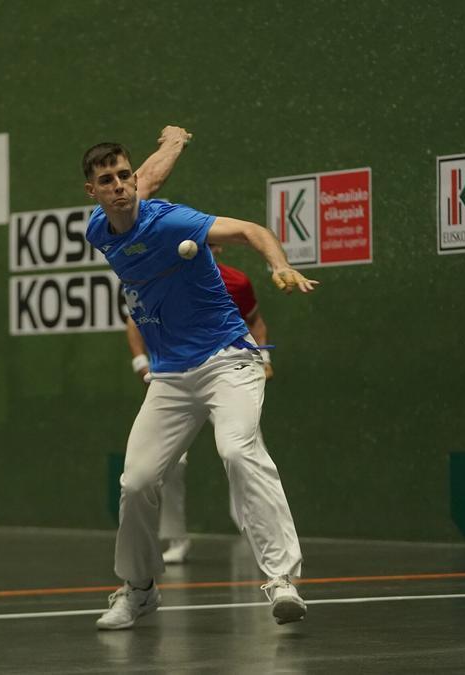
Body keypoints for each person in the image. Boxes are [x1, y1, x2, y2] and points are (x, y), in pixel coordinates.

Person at [83, 130, 316, 630]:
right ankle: (140, 590)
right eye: (108, 180)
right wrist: (173, 142)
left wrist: (280, 264)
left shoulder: (172, 221)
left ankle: (282, 579)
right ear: (93, 193)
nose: (121, 185)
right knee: (137, 480)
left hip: (228, 358)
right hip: (170, 375)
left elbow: (252, 231)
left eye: (125, 176)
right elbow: (150, 172)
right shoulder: (98, 230)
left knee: (237, 449)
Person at [126, 243, 274, 566]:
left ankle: (254, 532)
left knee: (243, 452)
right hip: (179, 378)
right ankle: (176, 539)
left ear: (218, 247)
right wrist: (141, 363)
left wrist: (263, 357)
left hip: (227, 377)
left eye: (208, 243)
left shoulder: (237, 282)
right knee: (171, 465)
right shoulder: (162, 280)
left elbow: (255, 322)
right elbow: (136, 323)